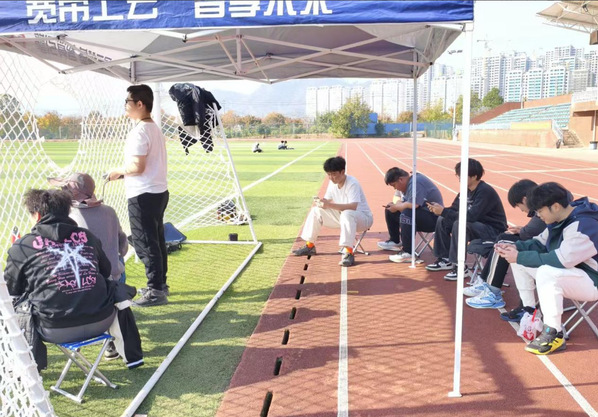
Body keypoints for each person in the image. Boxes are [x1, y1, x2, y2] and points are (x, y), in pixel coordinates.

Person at [4, 189, 143, 369]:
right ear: (68, 211)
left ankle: (23, 367)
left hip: (53, 329)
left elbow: (11, 290)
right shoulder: (88, 236)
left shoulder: (23, 246)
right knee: (115, 289)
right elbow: (106, 271)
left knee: (12, 306)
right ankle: (129, 354)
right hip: (102, 320)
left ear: (36, 215)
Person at [496, 182, 598, 355]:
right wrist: (515, 247)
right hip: (576, 272)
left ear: (555, 206)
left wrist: (519, 255)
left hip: (593, 280)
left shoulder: (585, 226)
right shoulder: (560, 218)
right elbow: (540, 243)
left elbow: (561, 260)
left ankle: (554, 333)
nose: (538, 215)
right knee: (519, 260)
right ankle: (530, 312)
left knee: (545, 271)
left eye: (540, 211)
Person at [108, 84, 169, 307]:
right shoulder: (154, 128)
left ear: (140, 104)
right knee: (157, 241)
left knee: (146, 244)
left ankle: (156, 290)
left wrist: (117, 172)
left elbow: (137, 166)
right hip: (158, 192)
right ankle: (160, 285)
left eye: (128, 102)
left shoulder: (140, 131)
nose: (125, 105)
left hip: (143, 194)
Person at [465, 179, 546, 310]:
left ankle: (492, 291)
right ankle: (486, 282)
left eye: (519, 206)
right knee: (504, 239)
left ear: (525, 200)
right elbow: (535, 230)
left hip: (548, 252)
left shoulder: (544, 207)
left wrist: (523, 231)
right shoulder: (545, 205)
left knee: (504, 244)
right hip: (544, 245)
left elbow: (531, 231)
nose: (521, 210)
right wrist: (522, 230)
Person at [425, 158, 507, 280]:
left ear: (474, 176)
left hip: (493, 230)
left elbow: (472, 216)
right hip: (476, 226)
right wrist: (440, 209)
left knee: (460, 224)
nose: (459, 179)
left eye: (462, 175)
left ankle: (460, 266)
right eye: (458, 175)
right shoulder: (465, 191)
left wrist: (444, 211)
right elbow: (453, 209)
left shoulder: (485, 191)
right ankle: (445, 259)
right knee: (442, 219)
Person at [292, 156, 373, 267]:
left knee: (347, 213)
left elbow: (353, 206)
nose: (331, 178)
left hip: (363, 219)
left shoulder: (352, 183)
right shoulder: (332, 183)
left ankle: (349, 253)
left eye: (333, 174)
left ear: (342, 172)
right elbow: (327, 199)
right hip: (344, 217)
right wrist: (321, 203)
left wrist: (329, 205)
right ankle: (309, 246)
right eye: (328, 174)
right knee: (316, 211)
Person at [49, 172, 128, 282]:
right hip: (115, 277)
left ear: (72, 193)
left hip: (88, 281)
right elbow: (123, 246)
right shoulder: (109, 211)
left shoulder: (69, 216)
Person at [377, 167, 444, 263]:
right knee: (390, 210)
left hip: (433, 218)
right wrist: (396, 206)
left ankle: (408, 252)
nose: (395, 188)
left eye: (394, 185)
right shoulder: (407, 184)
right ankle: (395, 241)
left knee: (407, 212)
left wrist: (397, 206)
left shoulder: (416, 182)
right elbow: (401, 201)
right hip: (420, 215)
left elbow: (413, 205)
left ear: (400, 179)